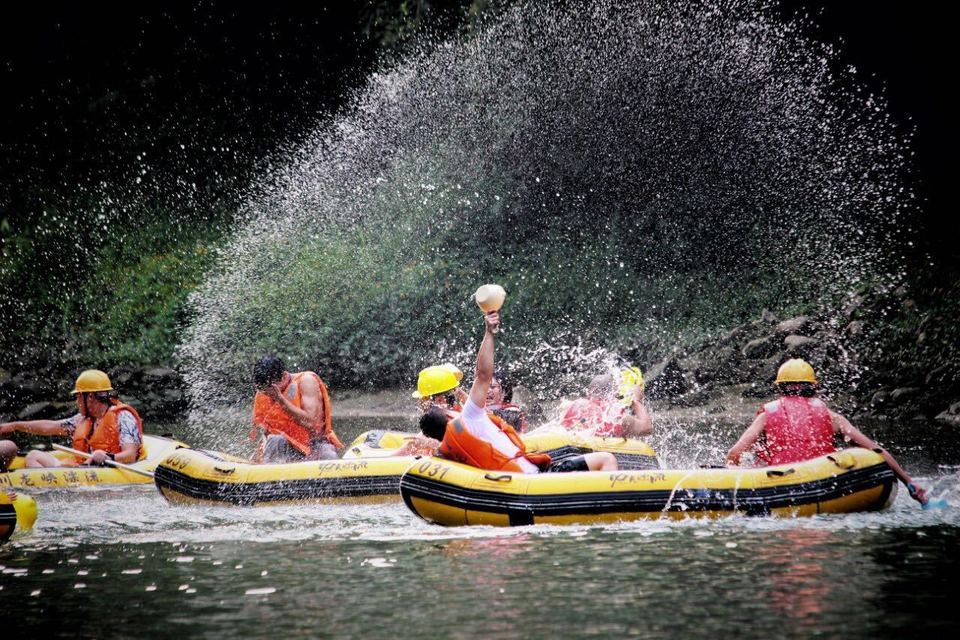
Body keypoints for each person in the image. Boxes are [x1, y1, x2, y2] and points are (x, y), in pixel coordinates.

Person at [417, 306, 618, 473]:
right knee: (606, 459)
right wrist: (488, 332)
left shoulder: (448, 451)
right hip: (537, 479)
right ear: (449, 416)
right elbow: (483, 375)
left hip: (520, 481)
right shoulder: (468, 419)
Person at [726, 358, 929, 505]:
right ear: (813, 387)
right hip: (826, 484)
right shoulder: (833, 418)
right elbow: (876, 451)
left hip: (782, 487)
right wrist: (910, 483)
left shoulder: (766, 416)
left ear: (781, 388)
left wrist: (737, 475)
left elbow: (735, 453)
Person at [0, 369, 143, 468]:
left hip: (108, 470)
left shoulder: (123, 417)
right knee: (34, 455)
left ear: (90, 397)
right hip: (82, 467)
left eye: (78, 397)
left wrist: (109, 457)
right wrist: (14, 426)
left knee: (33, 457)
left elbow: (130, 455)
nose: (77, 402)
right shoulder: (83, 419)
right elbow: (50, 427)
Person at [251, 355, 343, 463]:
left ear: (284, 376)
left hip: (314, 446)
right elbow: (266, 433)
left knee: (328, 455)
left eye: (270, 388)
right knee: (275, 440)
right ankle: (269, 475)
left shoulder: (306, 381)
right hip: (284, 448)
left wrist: (281, 400)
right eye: (263, 389)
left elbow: (312, 423)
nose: (268, 393)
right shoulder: (264, 392)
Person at [560, 372, 652, 438]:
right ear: (612, 394)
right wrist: (636, 401)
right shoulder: (614, 415)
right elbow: (646, 428)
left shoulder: (572, 407)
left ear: (589, 394)